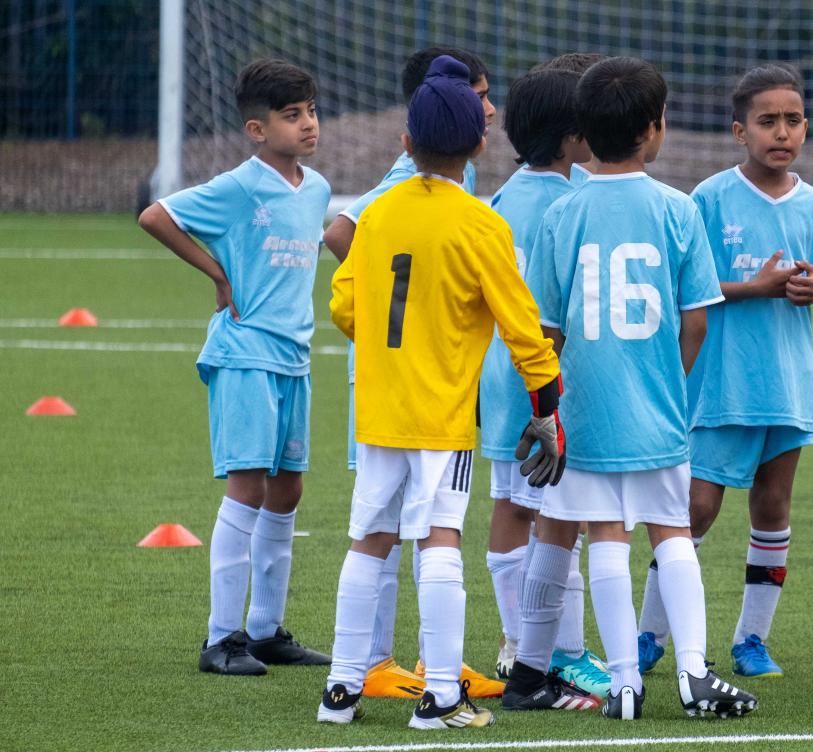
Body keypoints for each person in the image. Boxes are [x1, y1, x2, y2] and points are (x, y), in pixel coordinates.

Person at [501, 57, 758, 721]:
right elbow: (695, 319)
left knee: (606, 534)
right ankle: (695, 674)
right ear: (654, 128)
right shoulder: (677, 208)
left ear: (584, 129)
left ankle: (622, 685)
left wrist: (548, 411)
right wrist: (669, 386)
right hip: (659, 409)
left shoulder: (563, 212)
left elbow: (547, 331)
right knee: (672, 532)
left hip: (586, 412)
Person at [318, 55, 565, 730]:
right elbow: (523, 328)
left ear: (405, 142)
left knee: (368, 538)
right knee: (440, 540)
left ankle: (340, 690)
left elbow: (344, 305)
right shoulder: (481, 223)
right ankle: (443, 697)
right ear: (479, 145)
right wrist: (546, 409)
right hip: (442, 415)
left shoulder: (378, 212)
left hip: (378, 410)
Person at [636, 64, 813, 680]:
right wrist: (756, 287)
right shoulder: (709, 197)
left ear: (806, 127)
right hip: (722, 383)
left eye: (792, 120)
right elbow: (690, 287)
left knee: (773, 504)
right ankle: (652, 633)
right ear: (739, 131)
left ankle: (751, 639)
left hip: (787, 385)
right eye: (766, 121)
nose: (781, 132)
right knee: (697, 507)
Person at [321, 44, 503, 701]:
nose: (489, 105)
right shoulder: (409, 183)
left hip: (392, 388)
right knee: (427, 530)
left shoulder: (441, 176)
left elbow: (348, 291)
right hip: (419, 386)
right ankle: (409, 672)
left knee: (378, 529)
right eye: (481, 94)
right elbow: (343, 230)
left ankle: (364, 676)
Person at [138, 59, 331, 676]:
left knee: (289, 488)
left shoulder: (319, 189)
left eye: (311, 112)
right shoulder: (239, 185)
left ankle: (266, 631)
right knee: (247, 485)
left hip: (293, 360)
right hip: (244, 355)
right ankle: (221, 640)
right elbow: (155, 216)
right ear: (256, 128)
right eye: (291, 115)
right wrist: (218, 272)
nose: (308, 125)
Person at [478, 67, 607, 698]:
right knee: (562, 516)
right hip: (549, 387)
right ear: (571, 136)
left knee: (515, 506)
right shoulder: (573, 202)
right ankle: (561, 654)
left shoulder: (499, 201)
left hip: (502, 386)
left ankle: (518, 643)